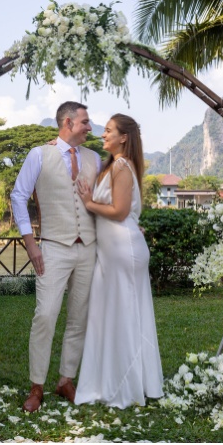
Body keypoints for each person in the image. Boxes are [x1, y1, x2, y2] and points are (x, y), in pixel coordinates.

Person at [10, 102, 101, 413]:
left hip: (88, 247)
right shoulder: (39, 154)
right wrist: (30, 243)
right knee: (45, 315)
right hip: (52, 246)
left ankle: (65, 380)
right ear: (68, 122)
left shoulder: (94, 158)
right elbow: (18, 196)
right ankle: (37, 386)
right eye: (85, 122)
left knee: (79, 317)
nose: (90, 127)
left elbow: (101, 202)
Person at [73, 114, 164, 409]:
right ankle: (107, 382)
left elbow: (121, 211)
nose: (103, 135)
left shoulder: (122, 165)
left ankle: (126, 386)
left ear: (124, 137)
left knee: (125, 316)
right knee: (109, 317)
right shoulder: (112, 165)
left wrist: (89, 203)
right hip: (110, 253)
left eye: (109, 131)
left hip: (124, 250)